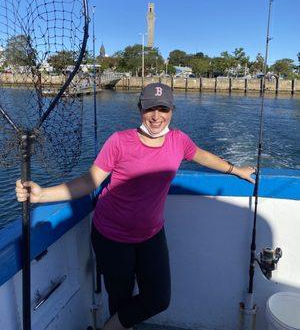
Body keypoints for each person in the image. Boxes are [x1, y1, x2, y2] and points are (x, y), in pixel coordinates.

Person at [16, 83, 255, 330]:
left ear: (172, 110)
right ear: (140, 109)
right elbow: (90, 181)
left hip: (151, 235)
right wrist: (42, 194)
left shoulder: (178, 140)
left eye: (163, 109)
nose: (156, 116)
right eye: (150, 108)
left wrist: (236, 170)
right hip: (111, 236)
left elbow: (201, 155)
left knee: (159, 299)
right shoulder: (119, 141)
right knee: (120, 302)